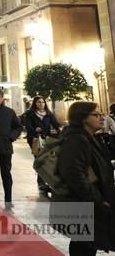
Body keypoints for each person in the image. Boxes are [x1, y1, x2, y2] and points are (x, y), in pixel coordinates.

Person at [54, 101, 114, 256]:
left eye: (101, 114)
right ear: (82, 118)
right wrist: (99, 201)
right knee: (83, 244)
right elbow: (74, 175)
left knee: (87, 243)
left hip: (88, 201)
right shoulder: (76, 139)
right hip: (83, 202)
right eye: (96, 114)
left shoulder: (88, 137)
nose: (102, 118)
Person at [24, 96, 61, 194]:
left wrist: (60, 131)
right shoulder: (30, 114)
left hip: (47, 140)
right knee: (40, 159)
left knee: (47, 159)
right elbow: (28, 126)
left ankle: (47, 180)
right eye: (38, 102)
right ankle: (41, 182)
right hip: (35, 140)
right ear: (35, 104)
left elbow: (56, 124)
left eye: (42, 102)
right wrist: (34, 130)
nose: (41, 104)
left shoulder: (49, 114)